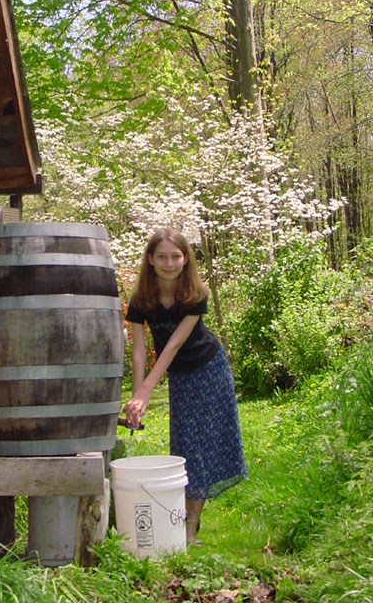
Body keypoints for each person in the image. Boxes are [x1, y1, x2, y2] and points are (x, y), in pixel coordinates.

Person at [123, 229, 247, 544]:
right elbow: (139, 350)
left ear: (186, 259)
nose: (169, 263)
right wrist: (137, 399)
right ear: (150, 260)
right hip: (180, 377)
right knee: (185, 447)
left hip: (209, 369)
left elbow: (173, 346)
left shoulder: (195, 295)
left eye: (176, 256)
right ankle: (186, 525)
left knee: (202, 446)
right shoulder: (140, 300)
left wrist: (147, 391)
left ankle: (189, 530)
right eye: (162, 256)